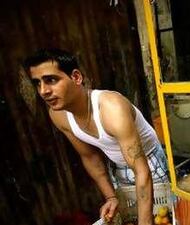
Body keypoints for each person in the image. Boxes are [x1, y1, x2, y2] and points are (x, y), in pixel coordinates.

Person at [23, 48, 169, 225]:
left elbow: (141, 169)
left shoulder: (111, 108)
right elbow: (90, 157)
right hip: (118, 164)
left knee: (162, 214)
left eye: (51, 80)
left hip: (149, 160)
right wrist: (111, 197)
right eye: (37, 83)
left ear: (76, 77)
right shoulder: (58, 115)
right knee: (128, 214)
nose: (43, 91)